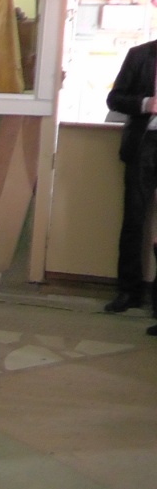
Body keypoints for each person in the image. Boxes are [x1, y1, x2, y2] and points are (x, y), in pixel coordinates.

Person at [106, 39, 157, 316]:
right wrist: (146, 103)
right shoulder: (140, 55)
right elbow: (114, 99)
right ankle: (129, 291)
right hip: (143, 145)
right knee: (134, 220)